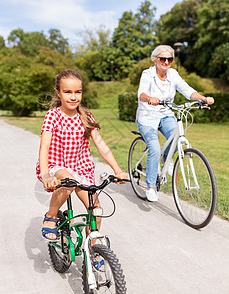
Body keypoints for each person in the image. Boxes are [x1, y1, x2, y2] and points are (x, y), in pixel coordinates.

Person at [36, 69, 127, 241]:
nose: (73, 97)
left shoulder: (85, 116)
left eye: (78, 92)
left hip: (81, 168)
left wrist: (117, 169)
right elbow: (44, 146)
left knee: (96, 210)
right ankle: (51, 216)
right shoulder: (53, 116)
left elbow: (101, 145)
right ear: (58, 93)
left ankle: (93, 249)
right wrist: (46, 174)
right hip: (57, 165)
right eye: (67, 92)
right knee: (68, 182)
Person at [136, 45, 214, 202]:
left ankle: (166, 159)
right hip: (147, 115)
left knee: (177, 137)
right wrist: (149, 98)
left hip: (165, 113)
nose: (166, 62)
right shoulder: (148, 74)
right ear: (155, 59)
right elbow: (141, 94)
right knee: (155, 148)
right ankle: (151, 187)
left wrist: (203, 98)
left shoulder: (172, 74)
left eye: (169, 59)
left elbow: (187, 90)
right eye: (162, 59)